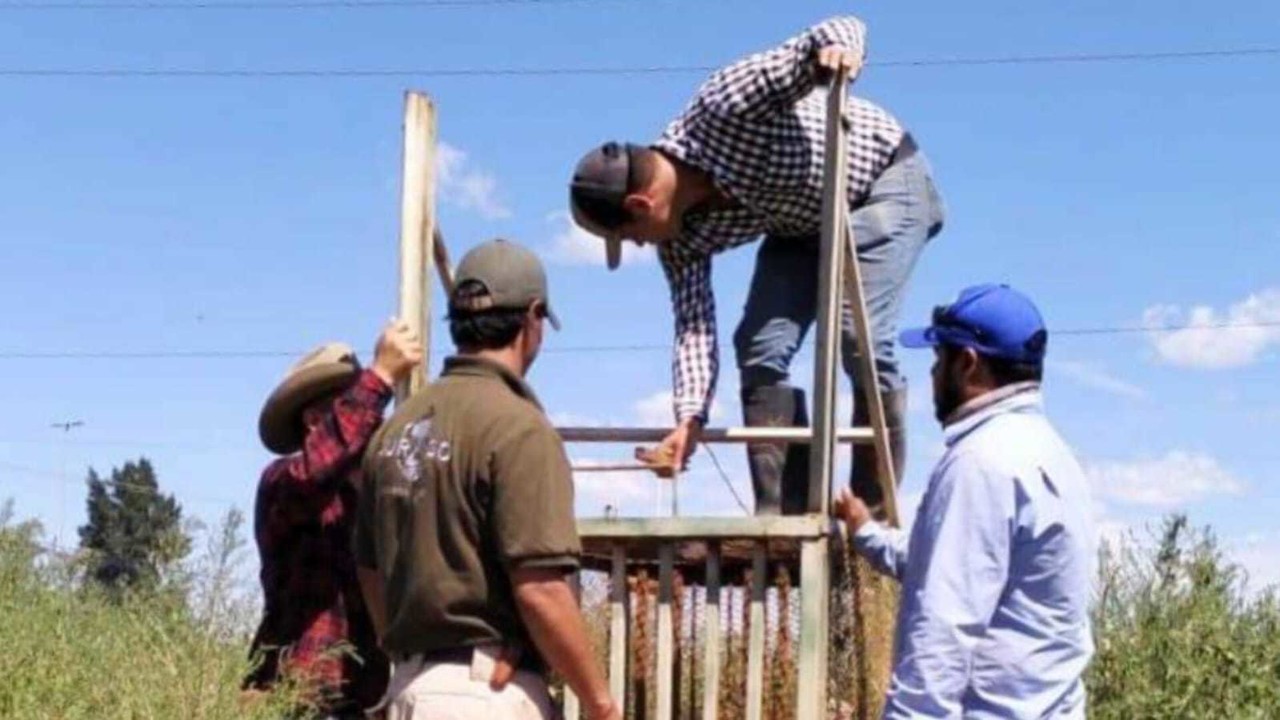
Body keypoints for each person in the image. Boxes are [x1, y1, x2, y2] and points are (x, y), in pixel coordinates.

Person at [567, 14, 945, 517]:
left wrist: (837, 53)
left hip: (882, 184)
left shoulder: (725, 107)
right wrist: (689, 419)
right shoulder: (682, 241)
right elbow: (694, 330)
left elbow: (835, 30)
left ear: (640, 205)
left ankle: (872, 522)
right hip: (801, 222)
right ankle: (788, 521)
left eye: (628, 236)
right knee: (759, 348)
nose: (637, 246)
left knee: (857, 337)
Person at [354, 238, 621, 720]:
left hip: (407, 689)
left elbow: (370, 572)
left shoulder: (394, 429)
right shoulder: (519, 427)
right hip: (484, 695)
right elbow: (540, 587)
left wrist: (417, 651)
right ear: (533, 318)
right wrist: (601, 704)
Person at [833, 283, 1096, 718]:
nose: (933, 375)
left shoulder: (980, 463)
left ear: (968, 364)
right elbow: (947, 564)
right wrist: (867, 532)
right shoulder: (1054, 456)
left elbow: (944, 628)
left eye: (939, 359)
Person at [244, 321, 422, 718]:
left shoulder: (372, 494)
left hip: (361, 700)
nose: (370, 417)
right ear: (313, 420)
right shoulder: (282, 481)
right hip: (296, 698)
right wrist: (380, 378)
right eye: (351, 403)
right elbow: (315, 471)